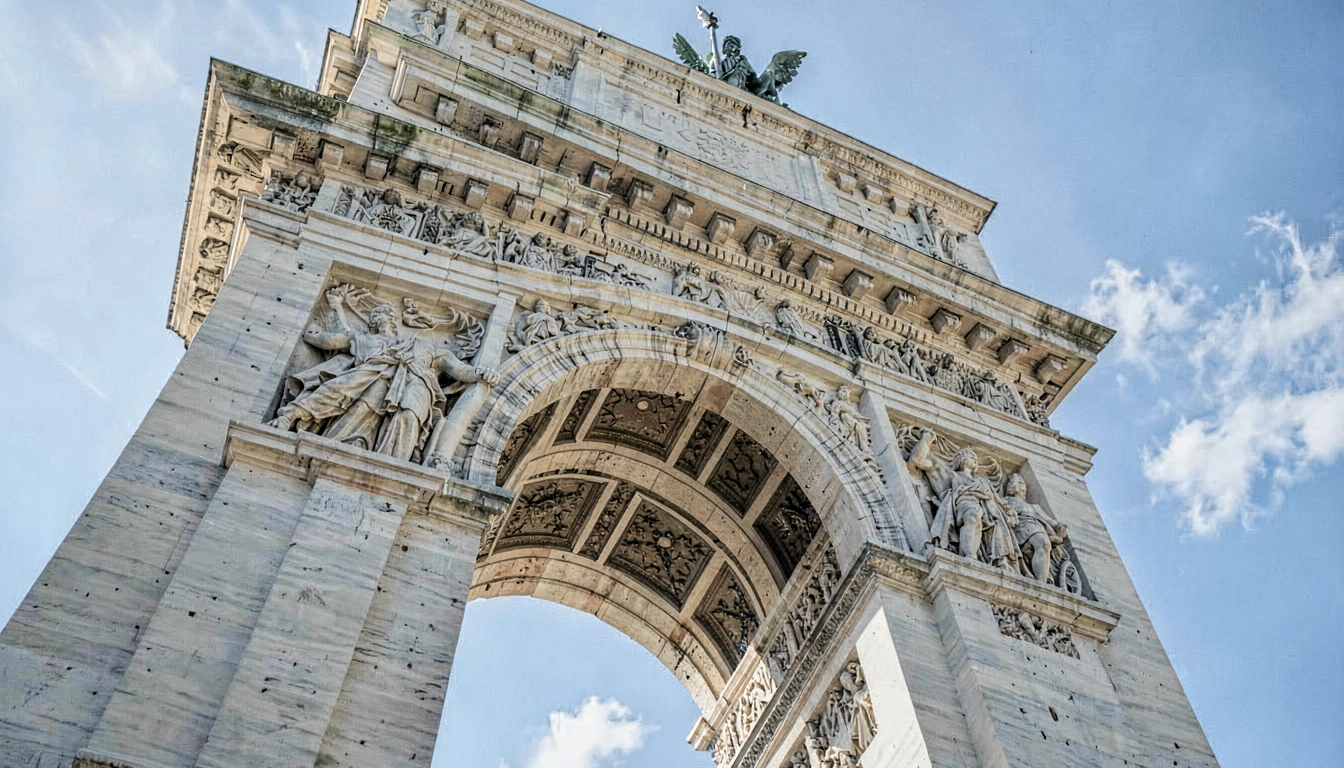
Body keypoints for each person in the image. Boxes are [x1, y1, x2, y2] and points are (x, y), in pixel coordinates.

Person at [270, 288, 497, 461]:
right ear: (373, 323)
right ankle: (290, 416)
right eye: (379, 316)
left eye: (388, 316)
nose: (385, 318)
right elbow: (335, 337)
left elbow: (458, 368)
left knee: (408, 416)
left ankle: (393, 462)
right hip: (372, 375)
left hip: (416, 384)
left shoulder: (425, 346)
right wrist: (329, 313)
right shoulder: (364, 339)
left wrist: (480, 373)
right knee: (343, 392)